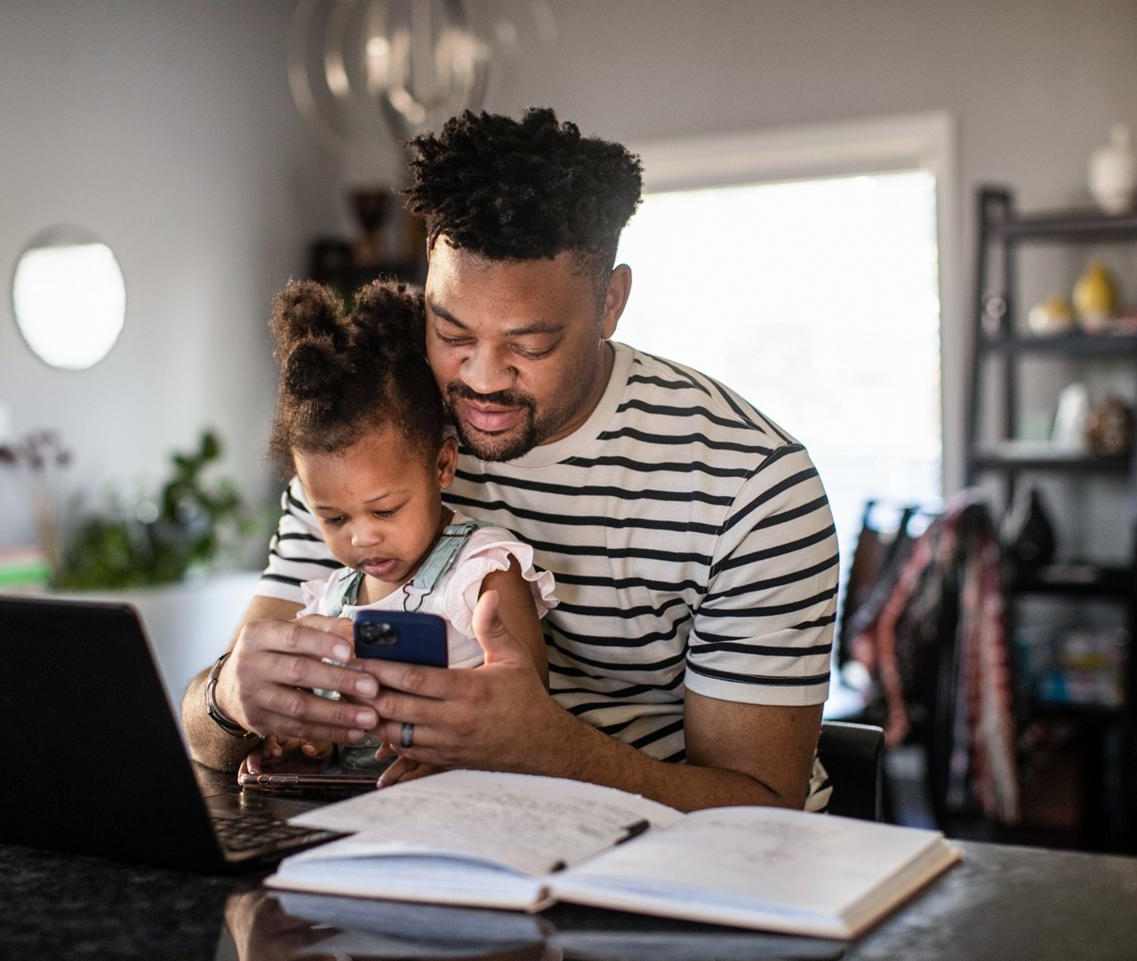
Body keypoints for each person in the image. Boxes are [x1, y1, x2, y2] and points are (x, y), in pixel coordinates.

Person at [182, 107, 839, 813]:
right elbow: (204, 735)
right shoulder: (375, 440)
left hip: (660, 875)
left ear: (611, 302)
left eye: (530, 345)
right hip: (419, 844)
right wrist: (230, 697)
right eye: (451, 330)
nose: (484, 379)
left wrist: (547, 749)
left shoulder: (750, 486)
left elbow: (763, 812)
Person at [251, 278, 555, 784]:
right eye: (335, 518)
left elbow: (527, 717)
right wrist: (301, 739)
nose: (362, 538)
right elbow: (322, 715)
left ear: (442, 465)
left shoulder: (482, 574)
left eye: (386, 511)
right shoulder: (330, 600)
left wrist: (453, 756)